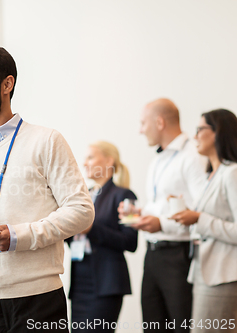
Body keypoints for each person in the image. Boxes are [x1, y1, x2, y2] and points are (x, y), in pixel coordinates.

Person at [0, 45, 94, 332]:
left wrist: (18, 237)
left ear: (7, 84)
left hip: (38, 299)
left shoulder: (46, 141)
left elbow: (82, 211)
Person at [120, 98, 207, 333]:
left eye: (143, 123)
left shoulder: (193, 156)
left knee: (181, 325)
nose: (140, 130)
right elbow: (162, 205)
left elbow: (203, 211)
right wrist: (141, 213)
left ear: (159, 122)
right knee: (153, 325)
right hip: (153, 255)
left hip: (178, 256)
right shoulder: (158, 159)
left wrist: (162, 224)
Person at [171, 109, 237, 332]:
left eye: (200, 129)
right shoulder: (212, 175)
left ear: (218, 132)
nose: (195, 135)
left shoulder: (232, 173)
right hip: (203, 271)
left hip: (223, 274)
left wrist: (198, 218)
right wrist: (189, 214)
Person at [67, 141, 137, 332]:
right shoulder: (84, 196)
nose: (85, 163)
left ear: (108, 161)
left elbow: (131, 242)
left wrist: (91, 229)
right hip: (80, 279)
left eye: (90, 157)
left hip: (106, 282)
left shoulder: (125, 195)